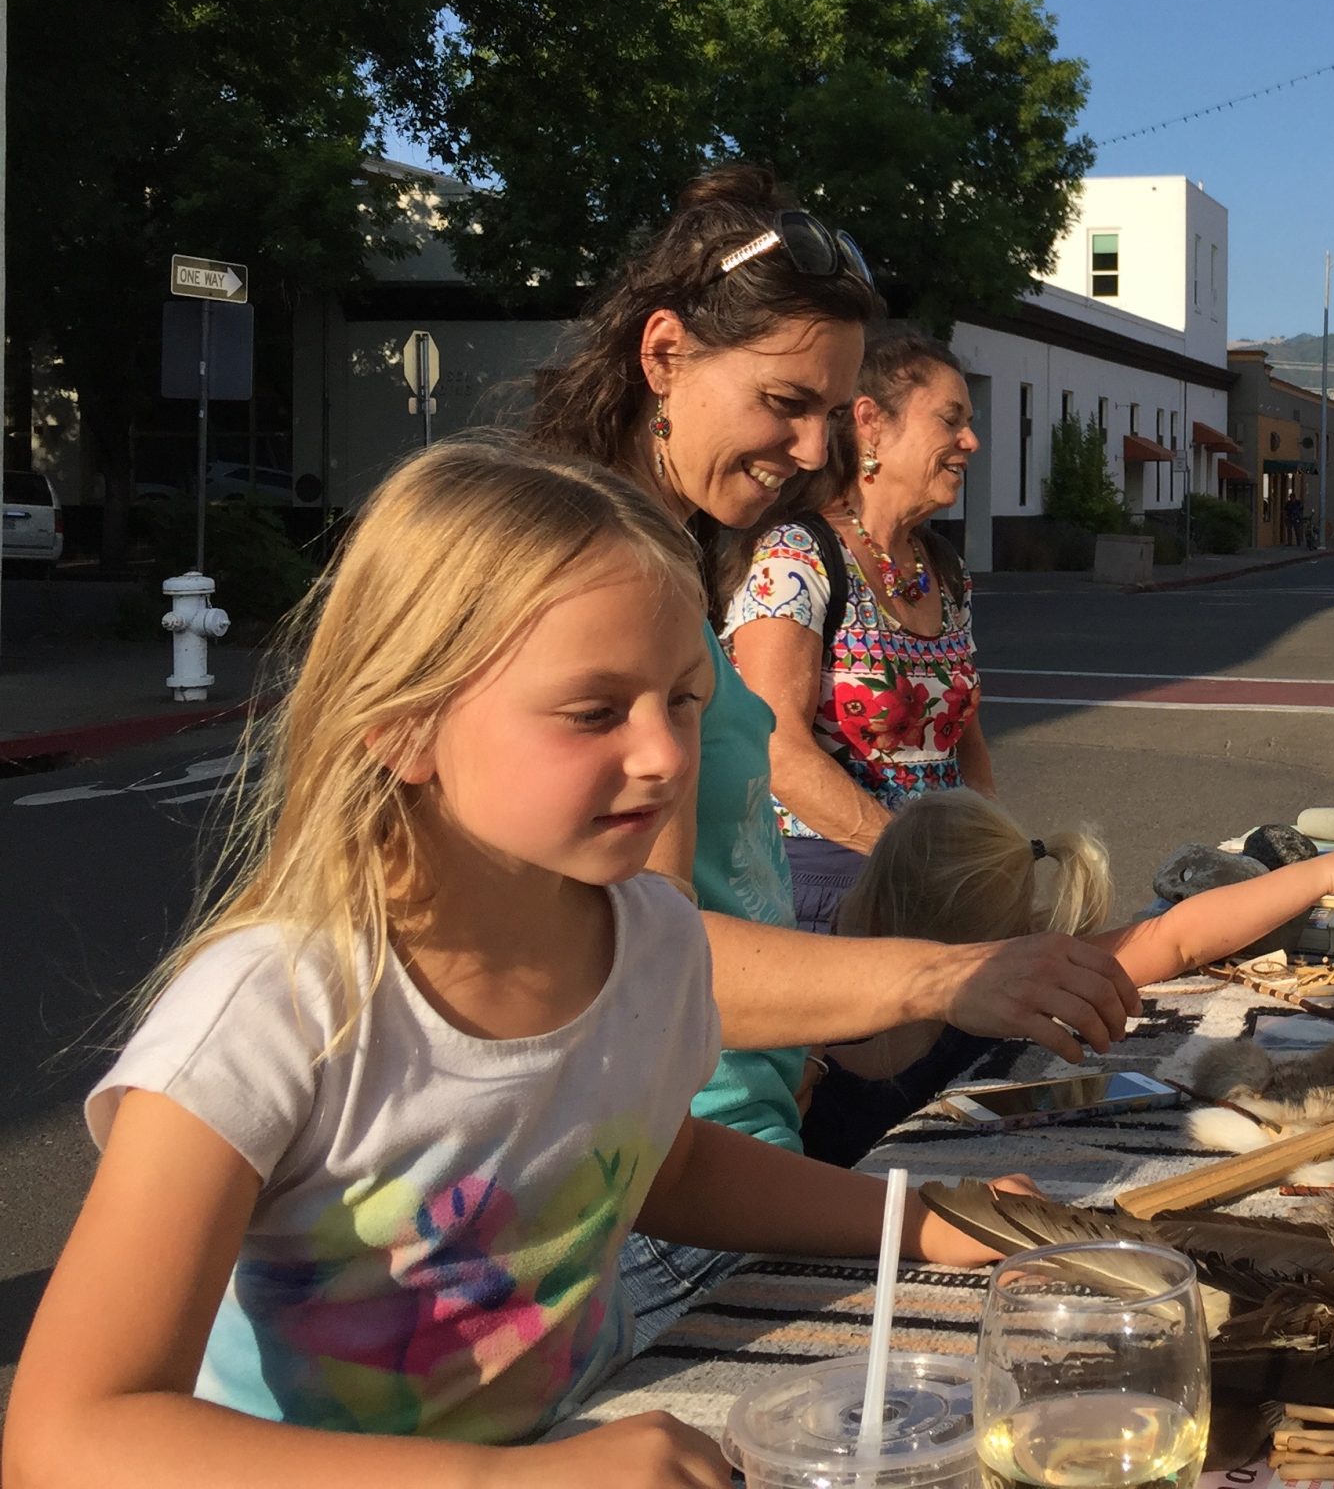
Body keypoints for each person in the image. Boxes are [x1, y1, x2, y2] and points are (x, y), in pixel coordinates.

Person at [2, 442, 1013, 1489]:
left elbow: (664, 1167)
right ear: (404, 724)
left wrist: (917, 1221)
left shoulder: (655, 944)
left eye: (684, 699)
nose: (666, 755)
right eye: (594, 711)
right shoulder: (274, 1012)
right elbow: (64, 1437)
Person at [519, 165, 1138, 1338]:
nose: (812, 449)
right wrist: (939, 970)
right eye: (783, 402)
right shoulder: (592, 574)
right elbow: (640, 961)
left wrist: (912, 1204)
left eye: (833, 412)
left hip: (696, 1160)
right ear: (664, 355)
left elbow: (668, 967)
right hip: (602, 1226)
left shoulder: (676, 560)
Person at [805, 789, 1334, 1158]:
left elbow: (1177, 935)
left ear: (869, 901)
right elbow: (1176, 937)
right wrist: (1318, 874)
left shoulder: (807, 1016)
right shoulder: (1027, 986)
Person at [725, 330, 989, 937]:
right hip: (828, 886)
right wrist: (907, 856)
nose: (970, 441)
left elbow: (967, 740)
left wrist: (991, 851)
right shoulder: (797, 556)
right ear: (870, 423)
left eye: (969, 424)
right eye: (950, 419)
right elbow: (777, 749)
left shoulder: (941, 566)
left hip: (936, 882)